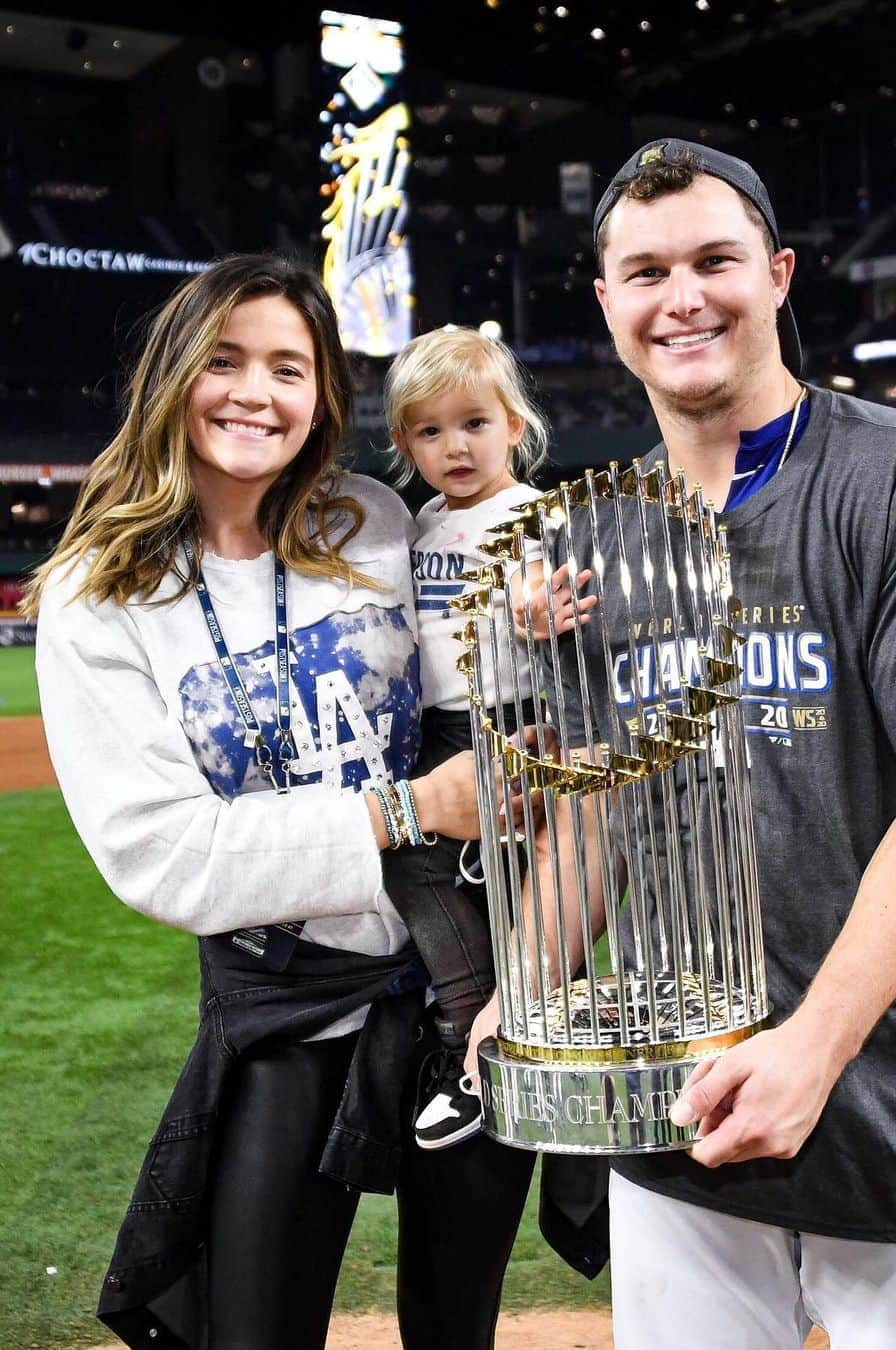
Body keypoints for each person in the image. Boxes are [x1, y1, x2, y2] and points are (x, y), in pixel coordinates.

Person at [528, 139, 896, 1349]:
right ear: (607, 303)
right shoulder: (609, 534)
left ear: (776, 275)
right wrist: (530, 981)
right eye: (647, 270)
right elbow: (606, 802)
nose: (684, 297)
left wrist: (810, 1051)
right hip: (683, 1111)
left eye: (715, 260)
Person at [24, 254, 537, 1350]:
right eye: (225, 360)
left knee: (461, 1323)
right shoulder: (97, 593)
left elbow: (482, 663)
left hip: (467, 997)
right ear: (173, 375)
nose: (255, 392)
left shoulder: (376, 523)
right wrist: (409, 812)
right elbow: (166, 857)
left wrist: (538, 611)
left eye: (289, 368)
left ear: (322, 400)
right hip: (286, 1004)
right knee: (254, 1327)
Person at [381, 324, 592, 1147]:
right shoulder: (422, 519)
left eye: (474, 423)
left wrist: (541, 606)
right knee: (434, 868)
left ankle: (465, 1038)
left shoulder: (530, 513)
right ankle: (496, 1037)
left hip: (500, 720)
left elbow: (547, 581)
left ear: (514, 424)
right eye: (430, 431)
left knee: (418, 857)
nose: (454, 446)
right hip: (431, 727)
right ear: (405, 443)